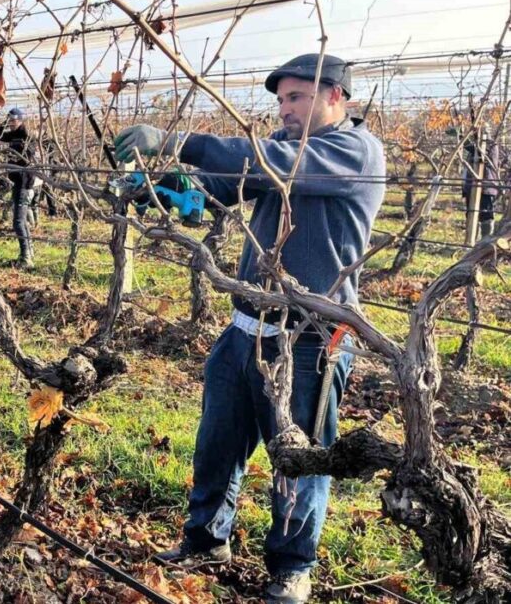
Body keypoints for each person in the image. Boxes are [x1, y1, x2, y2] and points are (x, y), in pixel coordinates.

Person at [114, 54, 385, 604]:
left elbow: (269, 165)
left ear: (337, 97)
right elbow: (229, 183)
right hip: (243, 327)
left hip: (309, 340)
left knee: (299, 456)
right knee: (217, 442)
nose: (284, 109)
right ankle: (206, 539)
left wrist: (174, 138)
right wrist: (164, 187)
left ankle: (291, 567)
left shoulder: (354, 151)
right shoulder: (282, 152)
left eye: (296, 98)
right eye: (281, 100)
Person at [0, 107, 36, 268]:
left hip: (25, 184)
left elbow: (28, 157)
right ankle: (28, 254)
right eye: (9, 120)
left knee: (18, 222)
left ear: (21, 120)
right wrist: (5, 122)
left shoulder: (27, 137)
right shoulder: (13, 134)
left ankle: (26, 258)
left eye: (14, 120)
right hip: (18, 182)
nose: (11, 123)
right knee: (21, 221)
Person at [461, 132, 502, 238]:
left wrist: (462, 137)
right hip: (471, 186)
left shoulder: (491, 145)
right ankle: (472, 241)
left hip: (485, 187)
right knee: (471, 214)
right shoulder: (475, 146)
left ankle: (485, 241)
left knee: (486, 215)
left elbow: (480, 156)